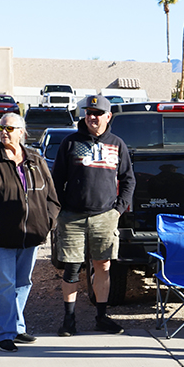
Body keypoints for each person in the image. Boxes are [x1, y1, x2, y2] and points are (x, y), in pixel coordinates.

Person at [0, 112, 59, 352]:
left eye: (10, 128)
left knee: (22, 282)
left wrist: (48, 221)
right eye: (2, 128)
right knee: (4, 283)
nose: (5, 132)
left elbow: (50, 193)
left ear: (22, 132)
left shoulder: (35, 159)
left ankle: (17, 328)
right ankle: (4, 334)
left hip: (30, 234)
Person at [52, 94, 135, 336]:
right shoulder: (70, 143)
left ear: (108, 117)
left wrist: (118, 210)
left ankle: (102, 317)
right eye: (89, 112)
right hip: (72, 217)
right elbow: (57, 180)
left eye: (98, 113)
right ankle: (69, 320)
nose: (92, 117)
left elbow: (128, 179)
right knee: (72, 268)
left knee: (103, 266)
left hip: (105, 216)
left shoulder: (118, 144)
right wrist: (59, 210)